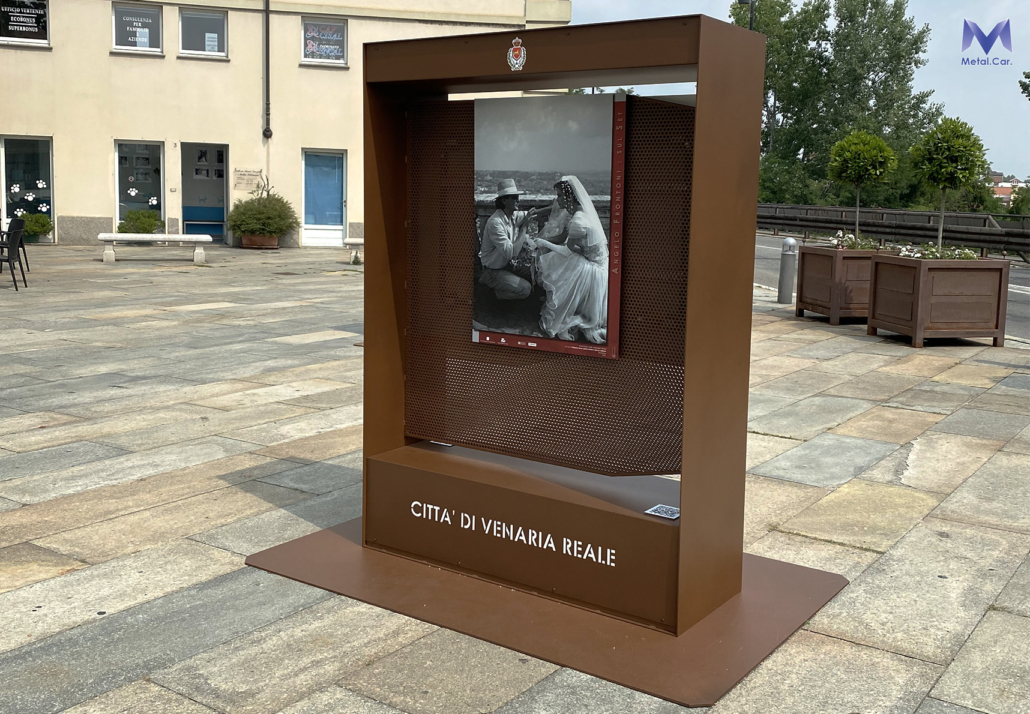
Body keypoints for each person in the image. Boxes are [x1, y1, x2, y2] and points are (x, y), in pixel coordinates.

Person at [534, 176, 609, 343]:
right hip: (587, 258)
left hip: (595, 269)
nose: (557, 200)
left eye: (560, 196)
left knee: (558, 259)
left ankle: (560, 300)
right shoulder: (575, 213)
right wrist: (539, 240)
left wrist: (543, 243)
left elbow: (567, 251)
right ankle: (558, 297)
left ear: (569, 198)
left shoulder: (578, 220)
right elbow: (561, 238)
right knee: (557, 257)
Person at [479, 179, 546, 300]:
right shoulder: (495, 223)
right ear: (504, 200)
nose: (518, 200)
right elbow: (512, 253)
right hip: (493, 270)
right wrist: (524, 226)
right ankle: (495, 294)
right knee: (525, 289)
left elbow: (534, 214)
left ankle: (506, 283)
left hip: (506, 266)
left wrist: (557, 206)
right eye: (514, 197)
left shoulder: (512, 215)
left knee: (539, 272)